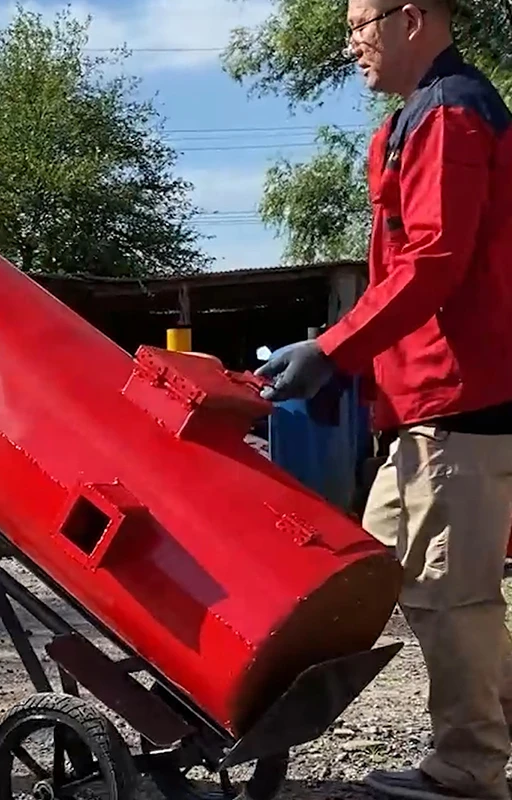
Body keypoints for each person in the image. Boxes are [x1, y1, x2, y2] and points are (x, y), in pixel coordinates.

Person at [255, 1, 512, 798]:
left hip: (461, 403)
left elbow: (433, 262)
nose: (351, 41)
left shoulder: (449, 114)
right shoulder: (418, 117)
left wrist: (333, 351)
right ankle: (490, 734)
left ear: (413, 18)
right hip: (425, 406)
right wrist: (359, 376)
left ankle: (470, 770)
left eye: (362, 21)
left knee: (450, 592)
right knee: (379, 571)